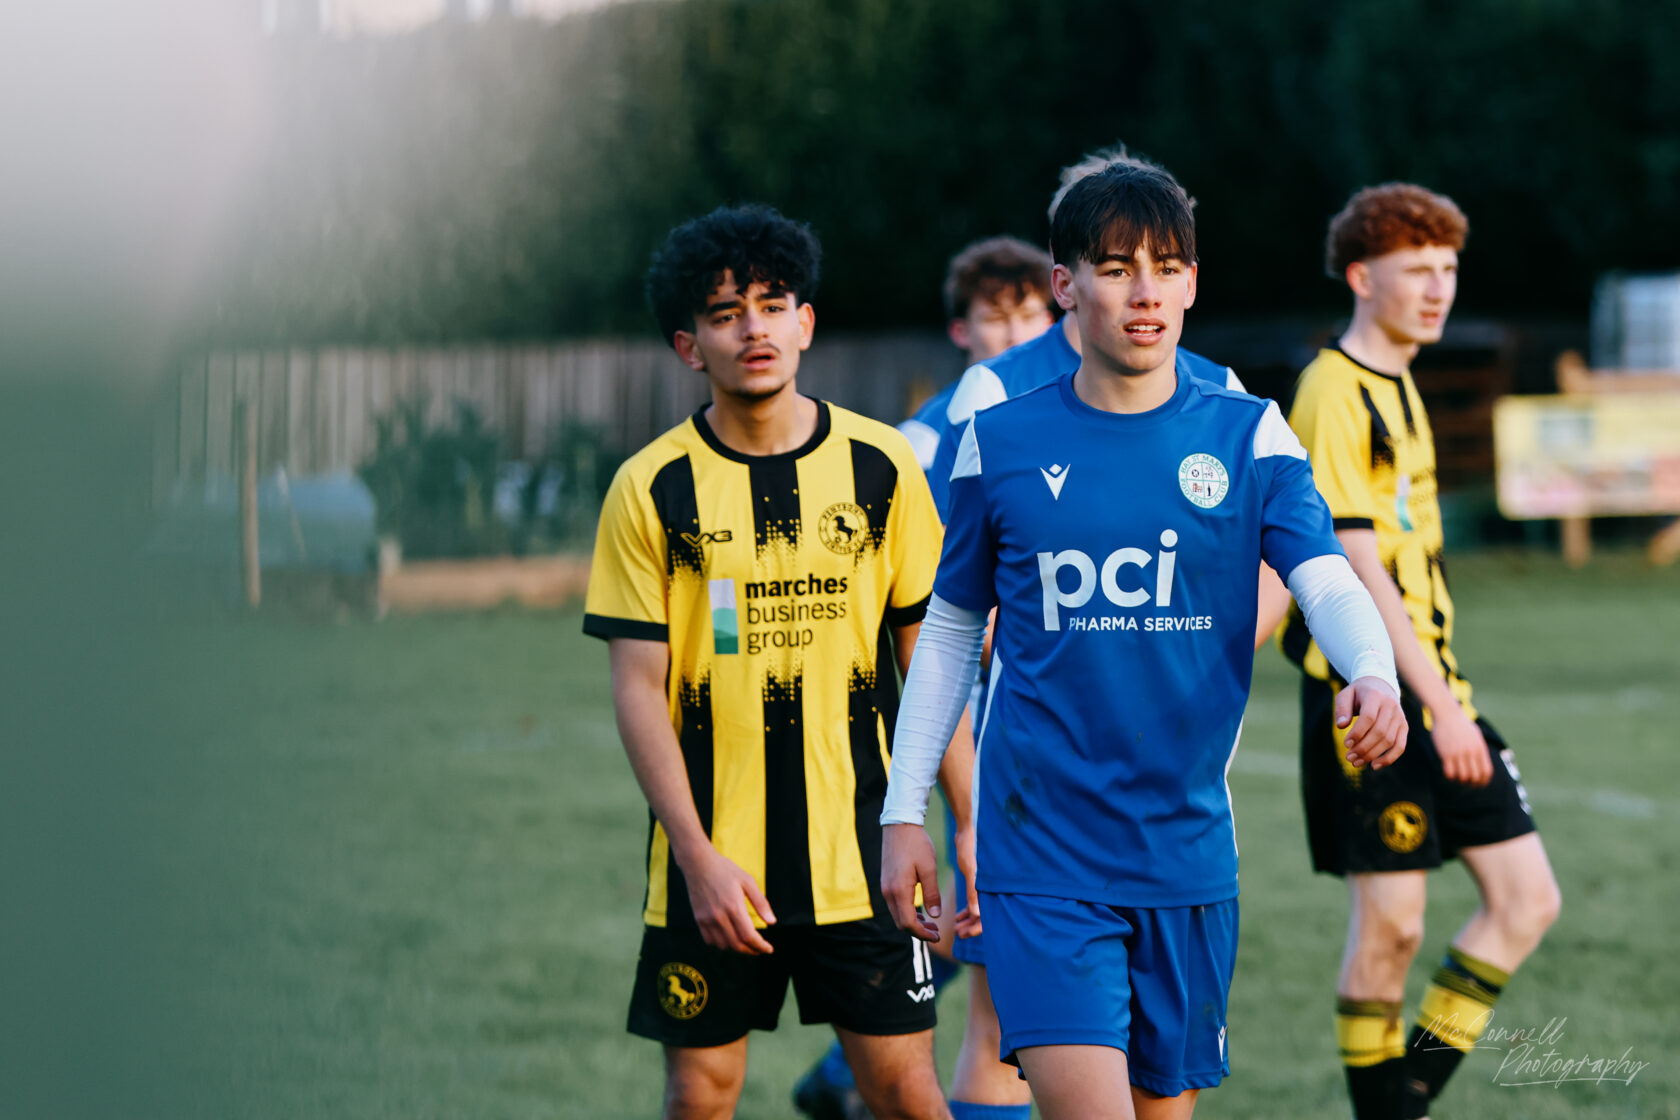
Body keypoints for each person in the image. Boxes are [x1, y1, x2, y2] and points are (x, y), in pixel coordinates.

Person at [879, 161, 1409, 1120]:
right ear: (1065, 285)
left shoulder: (1253, 434)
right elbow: (951, 632)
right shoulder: (996, 438)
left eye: (1167, 265)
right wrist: (903, 810)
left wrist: (1372, 670)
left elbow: (1325, 575)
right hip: (1041, 854)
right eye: (1117, 267)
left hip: (1187, 854)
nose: (1146, 289)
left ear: (1194, 282)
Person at [584, 204, 957, 1120]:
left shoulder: (884, 467)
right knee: (701, 1096)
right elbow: (638, 690)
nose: (753, 327)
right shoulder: (651, 487)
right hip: (714, 863)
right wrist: (698, 857)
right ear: (688, 345)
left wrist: (969, 819)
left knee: (907, 1095)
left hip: (865, 855)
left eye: (771, 303)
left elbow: (931, 661)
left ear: (806, 322)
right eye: (724, 313)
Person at [1279, 183, 1561, 1120]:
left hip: (1436, 687)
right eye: (1418, 271)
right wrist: (1438, 709)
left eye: (1448, 270)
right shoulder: (1331, 388)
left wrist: (1447, 699)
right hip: (1373, 700)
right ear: (1363, 277)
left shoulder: (1399, 383)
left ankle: (1402, 1101)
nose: (1438, 289)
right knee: (1393, 928)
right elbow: (1356, 567)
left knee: (1525, 901)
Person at [794, 236, 1056, 1120]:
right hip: (967, 717)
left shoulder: (1069, 409)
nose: (1017, 330)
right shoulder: (922, 440)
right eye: (997, 315)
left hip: (1043, 722)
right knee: (991, 962)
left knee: (981, 934)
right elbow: (919, 600)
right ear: (961, 329)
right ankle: (863, 1070)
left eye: (1030, 312)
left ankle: (845, 1074)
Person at [898, 236, 1056, 471]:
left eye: (1028, 317)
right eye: (996, 319)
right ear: (960, 332)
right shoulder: (925, 435)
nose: (1016, 335)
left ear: (1050, 322)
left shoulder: (1091, 401)